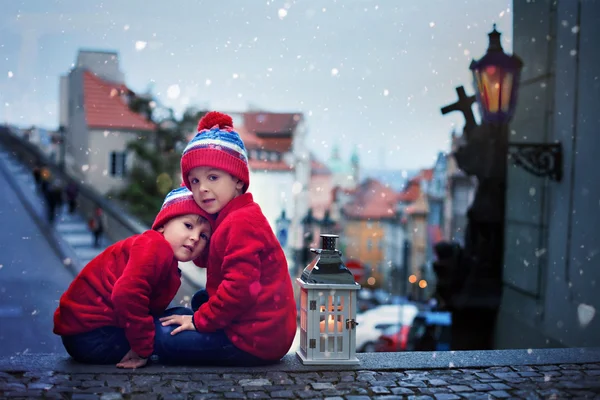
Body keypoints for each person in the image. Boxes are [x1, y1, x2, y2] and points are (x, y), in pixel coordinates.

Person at [158, 111, 297, 366]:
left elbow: (239, 290)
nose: (202, 189)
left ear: (237, 181)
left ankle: (182, 330)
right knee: (197, 301)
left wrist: (198, 322)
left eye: (213, 177)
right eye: (195, 181)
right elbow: (212, 261)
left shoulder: (240, 222)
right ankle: (193, 322)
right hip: (262, 327)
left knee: (164, 337)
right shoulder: (233, 216)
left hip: (256, 339)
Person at [53, 186, 213, 369]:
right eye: (188, 225)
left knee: (179, 319)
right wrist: (142, 349)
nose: (194, 238)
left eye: (204, 236)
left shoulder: (162, 255)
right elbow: (127, 295)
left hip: (85, 333)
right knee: (178, 327)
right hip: (92, 337)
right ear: (163, 225)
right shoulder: (154, 246)